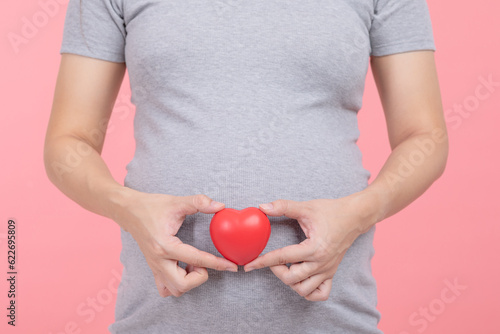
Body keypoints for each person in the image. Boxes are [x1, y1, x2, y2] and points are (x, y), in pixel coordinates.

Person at [43, 0, 448, 333]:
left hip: (333, 318)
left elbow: (425, 137)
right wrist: (127, 208)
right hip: (159, 320)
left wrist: (359, 213)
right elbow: (68, 143)